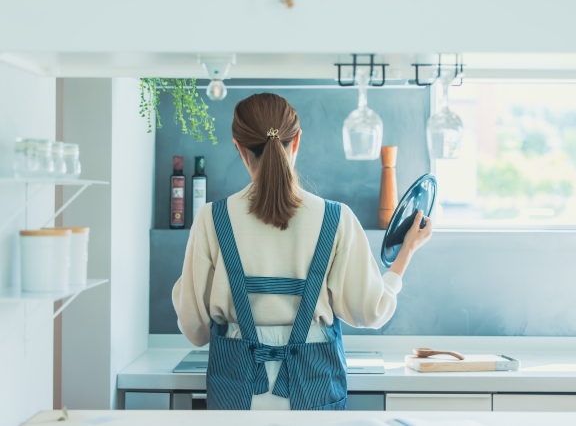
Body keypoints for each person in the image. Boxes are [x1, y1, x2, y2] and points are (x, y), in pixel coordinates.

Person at [172, 93, 432, 411]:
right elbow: (371, 311)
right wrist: (405, 253)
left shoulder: (211, 219)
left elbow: (194, 329)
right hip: (314, 394)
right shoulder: (338, 219)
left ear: (238, 147)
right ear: (296, 141)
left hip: (235, 396)